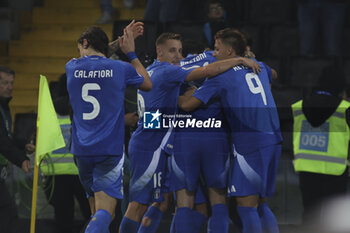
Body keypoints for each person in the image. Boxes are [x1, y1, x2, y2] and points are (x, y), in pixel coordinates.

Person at [119, 32, 260, 233]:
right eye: (172, 51)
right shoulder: (168, 72)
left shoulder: (152, 70)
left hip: (161, 145)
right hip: (150, 147)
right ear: (159, 51)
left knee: (169, 204)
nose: (178, 56)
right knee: (139, 205)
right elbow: (208, 71)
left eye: (180, 51)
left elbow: (154, 113)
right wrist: (238, 58)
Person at [178, 28, 282, 233]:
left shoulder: (221, 77)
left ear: (229, 51)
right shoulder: (258, 65)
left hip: (250, 143)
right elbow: (274, 74)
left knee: (246, 209)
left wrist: (177, 93)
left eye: (217, 49)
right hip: (274, 138)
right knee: (260, 204)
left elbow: (188, 105)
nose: (213, 54)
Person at [66, 25, 152, 233]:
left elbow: (97, 55)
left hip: (82, 151)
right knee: (106, 212)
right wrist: (129, 51)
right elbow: (147, 83)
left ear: (85, 43)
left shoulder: (72, 66)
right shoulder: (120, 69)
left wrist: (113, 44)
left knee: (100, 214)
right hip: (108, 151)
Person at [291, 65, 350, 227]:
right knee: (335, 219)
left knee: (310, 216)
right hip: (336, 172)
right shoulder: (345, 108)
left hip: (307, 170)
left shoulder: (298, 106)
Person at [39, 76, 91, 233]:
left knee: (63, 220)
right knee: (92, 216)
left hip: (55, 173)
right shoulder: (85, 106)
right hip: (81, 170)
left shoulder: (48, 109)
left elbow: (40, 137)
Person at [0, 66, 34, 233]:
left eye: (11, 83)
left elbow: (6, 137)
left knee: (8, 212)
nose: (9, 87)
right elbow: (1, 141)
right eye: (5, 83)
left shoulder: (4, 106)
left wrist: (22, 145)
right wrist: (21, 159)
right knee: (8, 213)